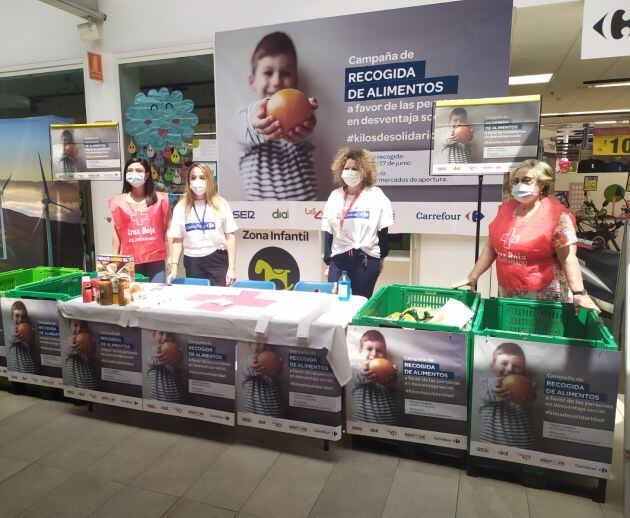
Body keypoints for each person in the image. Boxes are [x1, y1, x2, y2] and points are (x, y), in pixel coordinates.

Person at [453, 159, 599, 312]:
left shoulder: (557, 216)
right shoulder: (506, 210)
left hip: (543, 294)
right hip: (508, 290)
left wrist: (579, 293)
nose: (518, 185)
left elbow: (568, 257)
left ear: (542, 184)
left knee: (538, 333)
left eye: (526, 180)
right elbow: (491, 248)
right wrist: (473, 276)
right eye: (515, 181)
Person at [236, 31, 318, 200]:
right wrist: (258, 122)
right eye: (268, 72)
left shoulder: (302, 117)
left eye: (285, 73)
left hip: (305, 211)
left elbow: (309, 132)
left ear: (295, 81)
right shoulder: (245, 116)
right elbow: (243, 128)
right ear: (252, 81)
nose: (276, 81)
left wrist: (307, 118)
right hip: (261, 216)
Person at [321, 147, 393, 298]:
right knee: (335, 302)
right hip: (339, 259)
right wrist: (328, 261)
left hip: (366, 259)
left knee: (358, 305)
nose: (350, 171)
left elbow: (383, 232)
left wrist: (381, 258)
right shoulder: (335, 196)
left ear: (365, 171)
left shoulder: (376, 195)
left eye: (355, 168)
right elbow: (328, 231)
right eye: (346, 168)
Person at [167, 162, 237, 286]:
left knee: (219, 298)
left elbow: (230, 238)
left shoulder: (220, 204)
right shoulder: (181, 206)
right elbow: (177, 240)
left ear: (209, 180)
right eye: (193, 178)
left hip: (217, 259)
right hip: (192, 260)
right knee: (197, 297)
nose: (197, 181)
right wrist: (174, 266)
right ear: (188, 181)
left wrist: (231, 268)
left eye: (202, 177)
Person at [109, 157, 170, 281]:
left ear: (147, 175)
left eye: (138, 170)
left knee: (156, 293)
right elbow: (117, 230)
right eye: (130, 170)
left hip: (155, 259)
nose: (134, 174)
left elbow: (169, 230)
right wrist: (115, 258)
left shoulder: (160, 200)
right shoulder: (118, 202)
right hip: (130, 259)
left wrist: (171, 257)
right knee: (132, 294)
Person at [479, 342, 535, 449]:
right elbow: (489, 389)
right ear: (493, 365)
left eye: (516, 366)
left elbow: (532, 402)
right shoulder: (484, 384)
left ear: (524, 369)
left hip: (524, 451)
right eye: (504, 363)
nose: (509, 369)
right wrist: (496, 388)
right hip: (489, 447)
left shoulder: (527, 387)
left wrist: (529, 395)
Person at [350, 330, 398, 425]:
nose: (374, 354)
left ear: (385, 355)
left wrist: (391, 374)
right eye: (369, 349)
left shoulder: (388, 368)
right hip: (362, 426)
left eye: (379, 350)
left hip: (392, 426)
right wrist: (364, 371)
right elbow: (359, 372)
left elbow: (393, 379)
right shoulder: (355, 369)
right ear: (360, 350)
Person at [241, 342, 283, 417]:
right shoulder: (245, 361)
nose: (263, 346)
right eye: (258, 343)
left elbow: (280, 379)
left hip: (276, 414)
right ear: (249, 345)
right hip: (252, 414)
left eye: (267, 344)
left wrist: (279, 367)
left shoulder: (274, 361)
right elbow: (248, 368)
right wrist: (254, 366)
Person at [146, 331, 185, 403]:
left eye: (169, 334)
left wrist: (178, 358)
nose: (165, 338)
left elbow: (179, 371)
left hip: (179, 400)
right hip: (157, 401)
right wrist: (157, 357)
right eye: (161, 333)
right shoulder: (151, 350)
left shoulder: (175, 350)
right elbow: (152, 359)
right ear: (154, 335)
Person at [65, 319, 97, 390]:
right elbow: (69, 348)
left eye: (82, 326)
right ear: (69, 326)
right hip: (75, 387)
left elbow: (93, 360)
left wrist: (91, 347)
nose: (79, 329)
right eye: (75, 325)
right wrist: (74, 346)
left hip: (93, 386)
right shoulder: (68, 342)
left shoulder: (89, 341)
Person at [8, 301, 38, 374]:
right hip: (19, 372)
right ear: (12, 317)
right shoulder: (11, 330)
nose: (20, 319)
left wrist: (32, 337)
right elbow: (12, 337)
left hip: (33, 370)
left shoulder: (29, 330)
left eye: (23, 317)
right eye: (17, 316)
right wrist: (16, 335)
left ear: (26, 318)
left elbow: (32, 345)